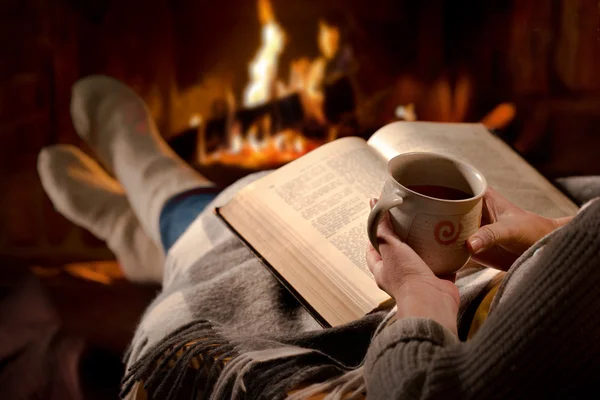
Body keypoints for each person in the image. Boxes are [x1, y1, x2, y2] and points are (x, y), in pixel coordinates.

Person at [38, 75, 600, 400]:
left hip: (428, 331)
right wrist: (556, 234)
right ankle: (156, 222)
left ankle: (159, 197)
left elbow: (423, 391)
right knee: (262, 217)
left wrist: (421, 301)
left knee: (253, 240)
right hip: (520, 267)